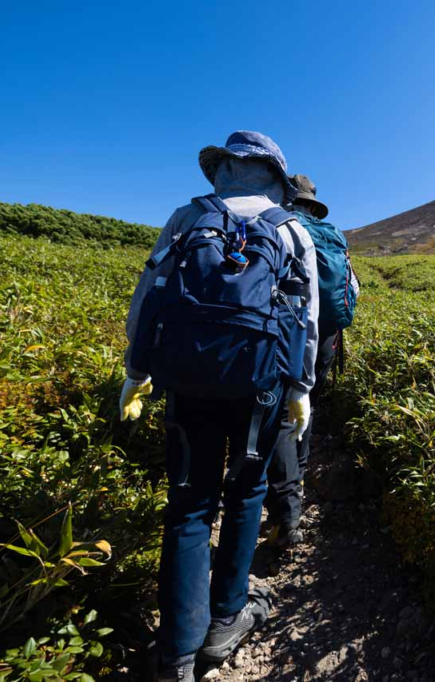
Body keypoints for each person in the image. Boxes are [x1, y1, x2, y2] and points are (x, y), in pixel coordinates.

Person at [119, 131, 320, 681]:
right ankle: (226, 619)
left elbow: (148, 294)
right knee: (246, 491)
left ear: (223, 170)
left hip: (185, 379)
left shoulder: (187, 217)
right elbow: (307, 318)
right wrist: (300, 389)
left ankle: (177, 654)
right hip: (260, 387)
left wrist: (137, 374)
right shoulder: (291, 228)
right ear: (277, 178)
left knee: (188, 505)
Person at [264, 174, 359, 546]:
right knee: (306, 405)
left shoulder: (277, 226)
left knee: (281, 416)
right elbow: (351, 287)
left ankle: (285, 511)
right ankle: (298, 479)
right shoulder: (333, 233)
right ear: (314, 204)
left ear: (289, 199)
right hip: (327, 335)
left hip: (289, 331)